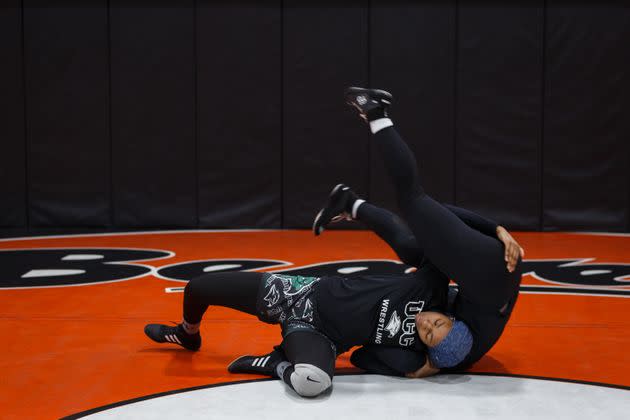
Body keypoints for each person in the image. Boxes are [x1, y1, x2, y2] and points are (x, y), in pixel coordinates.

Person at [144, 87, 524, 396]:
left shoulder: (414, 352)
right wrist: (496, 229)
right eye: (436, 321)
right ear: (449, 315)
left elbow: (362, 359)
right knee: (198, 287)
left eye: (426, 331)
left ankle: (276, 360)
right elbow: (425, 227)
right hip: (304, 294)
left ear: (427, 347)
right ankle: (186, 334)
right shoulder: (435, 285)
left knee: (313, 382)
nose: (425, 321)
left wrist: (420, 367)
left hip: (320, 333)